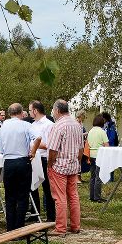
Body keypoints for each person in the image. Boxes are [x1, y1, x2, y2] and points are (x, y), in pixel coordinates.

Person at [46, 100, 84, 234]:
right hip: (73, 165)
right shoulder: (77, 125)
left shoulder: (58, 126)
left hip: (59, 166)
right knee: (73, 196)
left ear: (57, 110)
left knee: (60, 197)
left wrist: (49, 165)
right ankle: (75, 225)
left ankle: (60, 228)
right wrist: (77, 162)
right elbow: (81, 148)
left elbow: (53, 150)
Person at [0, 103, 34, 230]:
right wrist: (33, 151)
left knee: (10, 196)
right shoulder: (26, 125)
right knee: (23, 195)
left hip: (8, 162)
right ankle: (19, 226)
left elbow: (0, 149)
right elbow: (38, 138)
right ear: (21, 113)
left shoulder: (3, 127)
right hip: (23, 161)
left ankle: (10, 227)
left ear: (9, 113)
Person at [28, 100, 56, 222]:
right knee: (32, 186)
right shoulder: (32, 125)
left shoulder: (49, 124)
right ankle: (35, 213)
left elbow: (49, 145)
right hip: (33, 158)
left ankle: (51, 216)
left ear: (35, 111)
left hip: (44, 158)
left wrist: (35, 145)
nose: (29, 113)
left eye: (30, 110)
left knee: (47, 188)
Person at [87, 114, 109, 202]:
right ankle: (97, 197)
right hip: (99, 155)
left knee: (92, 176)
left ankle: (91, 196)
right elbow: (106, 145)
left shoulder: (90, 131)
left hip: (91, 155)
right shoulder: (102, 132)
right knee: (98, 176)